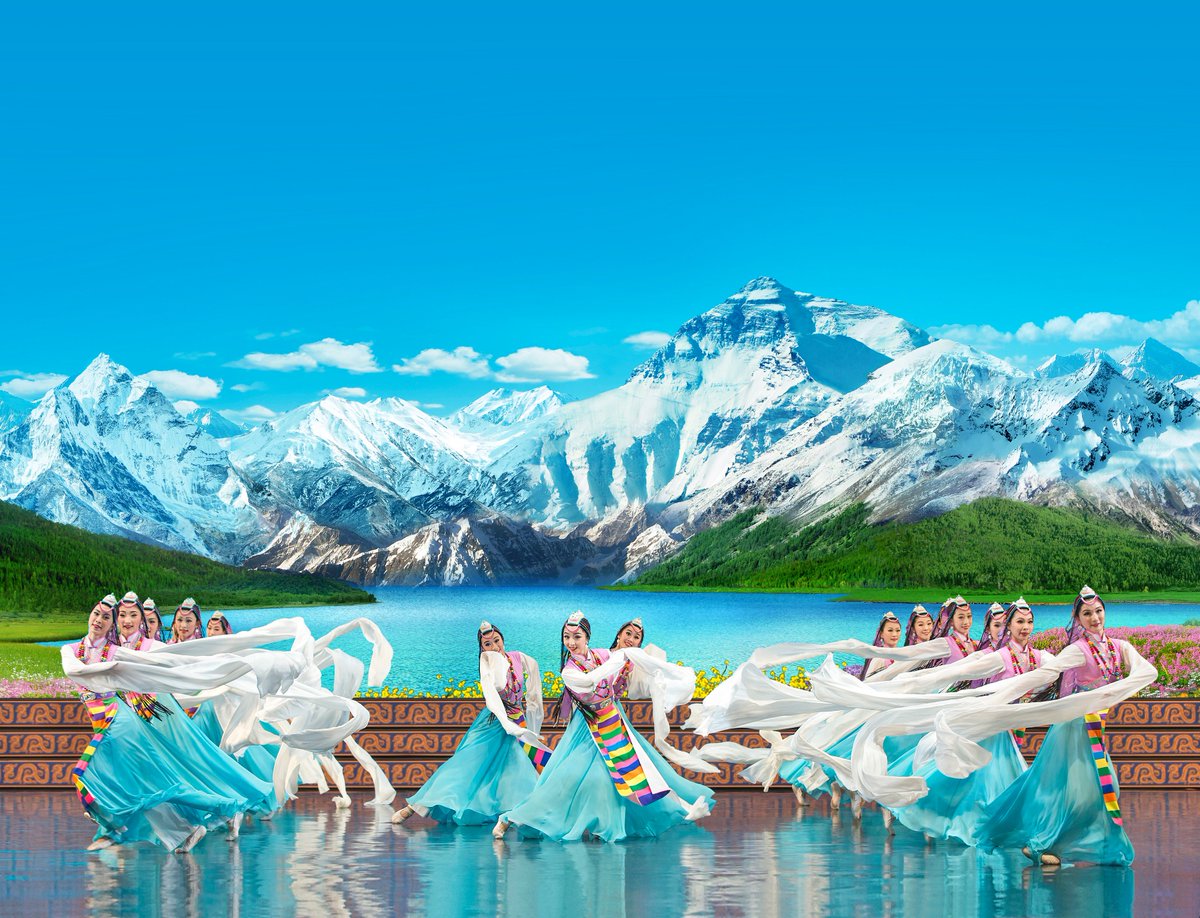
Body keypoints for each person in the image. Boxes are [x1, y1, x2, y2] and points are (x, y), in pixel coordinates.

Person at [496, 612, 712, 842]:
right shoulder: (569, 670)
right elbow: (590, 682)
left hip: (611, 721)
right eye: (567, 637)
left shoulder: (603, 655)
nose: (571, 642)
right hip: (586, 728)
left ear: (586, 637)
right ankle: (510, 818)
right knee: (563, 780)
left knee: (636, 771)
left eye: (576, 637)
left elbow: (625, 663)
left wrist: (642, 662)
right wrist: (620, 658)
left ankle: (675, 810)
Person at [67, 595, 243, 853]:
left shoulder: (134, 649)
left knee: (145, 780)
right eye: (118, 615)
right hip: (122, 720)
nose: (125, 620)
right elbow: (74, 669)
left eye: (131, 616)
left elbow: (179, 659)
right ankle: (194, 823)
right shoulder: (77, 650)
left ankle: (112, 822)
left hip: (132, 722)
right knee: (152, 786)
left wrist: (221, 662)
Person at [974, 587, 1136, 866]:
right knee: (1073, 789)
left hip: (1094, 728)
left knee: (1096, 788)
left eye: (1098, 611)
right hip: (1072, 728)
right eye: (1087, 613)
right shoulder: (1076, 650)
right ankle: (1044, 842)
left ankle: (1060, 842)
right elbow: (1048, 677)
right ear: (1078, 618)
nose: (1094, 617)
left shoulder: (1116, 647)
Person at [393, 621, 549, 826]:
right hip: (493, 723)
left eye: (496, 641)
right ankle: (415, 806)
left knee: (520, 769)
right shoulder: (486, 662)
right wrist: (508, 723)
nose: (494, 646)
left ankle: (526, 816)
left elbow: (534, 682)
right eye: (487, 644)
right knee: (465, 766)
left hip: (516, 721)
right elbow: (493, 694)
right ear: (482, 647)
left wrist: (532, 722)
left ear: (503, 639)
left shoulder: (518, 658)